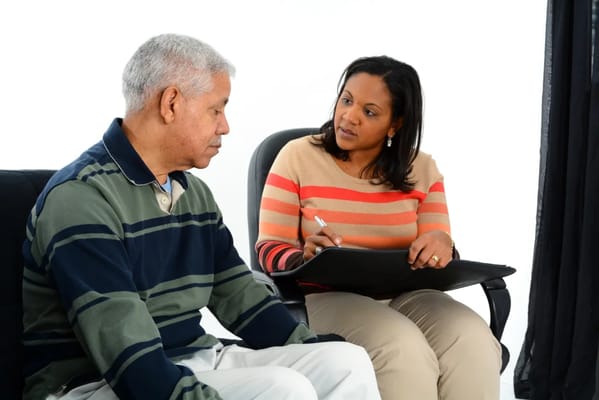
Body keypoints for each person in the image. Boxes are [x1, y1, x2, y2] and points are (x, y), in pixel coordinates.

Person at [21, 34, 382, 400]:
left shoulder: (193, 194)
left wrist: (308, 347)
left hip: (194, 358)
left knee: (345, 362)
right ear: (171, 103)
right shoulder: (82, 198)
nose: (225, 126)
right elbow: (126, 353)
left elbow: (239, 296)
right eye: (216, 109)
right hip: (95, 384)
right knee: (283, 389)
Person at [256, 55, 502, 399]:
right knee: (401, 349)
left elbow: (439, 247)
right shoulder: (296, 157)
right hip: (330, 296)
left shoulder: (422, 168)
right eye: (346, 100)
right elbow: (269, 249)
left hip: (411, 293)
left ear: (395, 124)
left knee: (473, 339)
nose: (348, 116)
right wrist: (304, 257)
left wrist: (441, 245)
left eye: (369, 112)